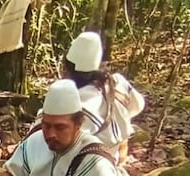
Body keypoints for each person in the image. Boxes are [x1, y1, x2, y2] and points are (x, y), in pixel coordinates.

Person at [61, 31, 146, 165]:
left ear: (68, 70)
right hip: (115, 158)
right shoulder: (117, 82)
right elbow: (138, 105)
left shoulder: (76, 101)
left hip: (87, 167)